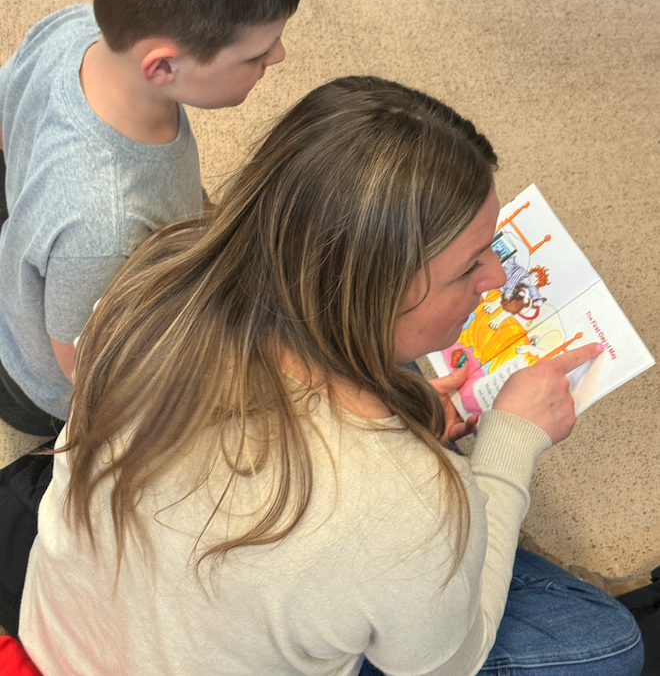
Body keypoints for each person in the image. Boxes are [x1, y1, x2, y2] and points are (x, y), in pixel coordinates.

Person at [20, 77, 642, 676]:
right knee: (604, 641)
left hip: (55, 636)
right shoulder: (415, 503)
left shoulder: (149, 283)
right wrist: (509, 442)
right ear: (377, 291)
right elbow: (449, 665)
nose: (498, 280)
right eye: (468, 269)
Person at [0, 0, 302, 437]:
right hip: (40, 390)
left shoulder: (82, 27)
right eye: (257, 55)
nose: (279, 57)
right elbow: (88, 369)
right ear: (162, 66)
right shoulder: (105, 226)